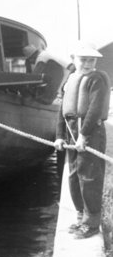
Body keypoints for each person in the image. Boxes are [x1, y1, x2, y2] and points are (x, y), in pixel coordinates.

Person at [54, 40, 111, 239]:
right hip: (71, 131)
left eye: (92, 60)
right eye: (83, 60)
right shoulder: (70, 79)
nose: (87, 65)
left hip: (90, 132)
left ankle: (91, 223)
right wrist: (60, 136)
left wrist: (83, 135)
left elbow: (94, 109)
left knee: (90, 177)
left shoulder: (96, 79)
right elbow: (62, 110)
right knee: (74, 175)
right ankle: (80, 217)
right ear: (73, 59)